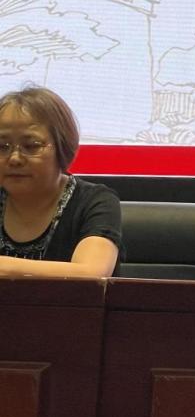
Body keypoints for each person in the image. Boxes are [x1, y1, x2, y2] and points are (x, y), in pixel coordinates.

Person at [0, 87, 122, 278]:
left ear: (62, 147)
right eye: (2, 146)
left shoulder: (94, 201)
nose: (14, 158)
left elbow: (91, 274)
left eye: (31, 146)